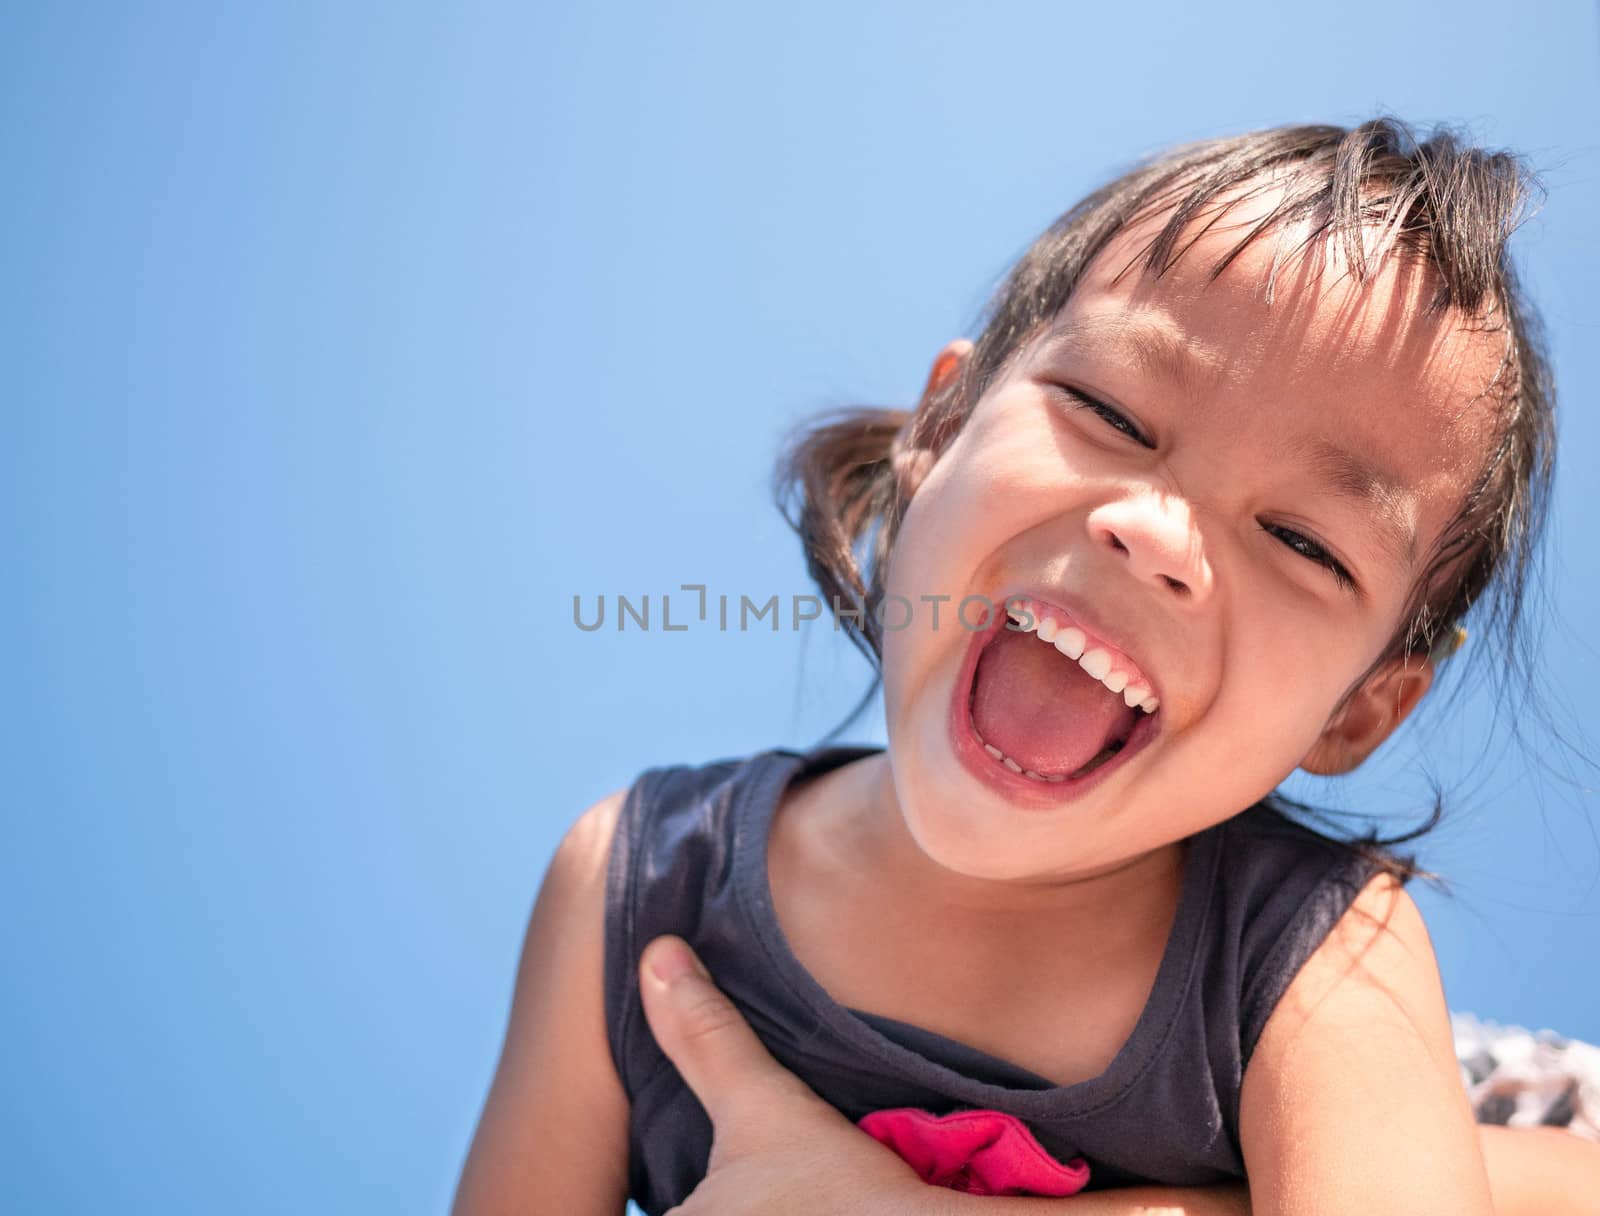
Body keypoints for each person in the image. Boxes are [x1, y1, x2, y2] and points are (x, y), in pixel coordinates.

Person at [452, 115, 1600, 1215]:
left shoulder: (1322, 957)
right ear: (941, 424)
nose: (1155, 532)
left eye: (1301, 541)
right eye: (1107, 408)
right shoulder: (638, 883)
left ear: (1358, 709)